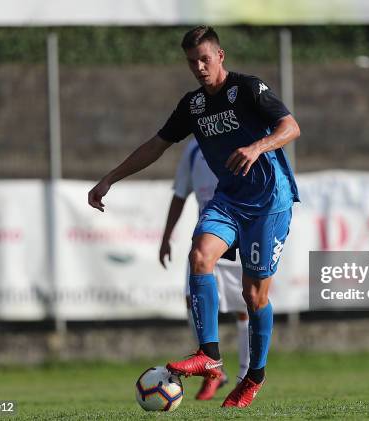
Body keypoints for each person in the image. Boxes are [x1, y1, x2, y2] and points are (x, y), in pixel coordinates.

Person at [88, 25, 300, 408]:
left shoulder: (248, 89)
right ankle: (209, 354)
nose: (199, 67)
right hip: (229, 199)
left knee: (254, 296)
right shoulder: (193, 106)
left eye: (205, 58)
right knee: (199, 256)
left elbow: (291, 127)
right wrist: (108, 179)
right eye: (192, 62)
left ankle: (254, 375)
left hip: (270, 202)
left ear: (220, 55)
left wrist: (257, 146)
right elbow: (155, 146)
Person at [159, 137, 250, 400]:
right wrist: (166, 237)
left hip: (239, 237)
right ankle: (214, 370)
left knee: (244, 309)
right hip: (205, 240)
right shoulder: (193, 149)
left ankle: (244, 377)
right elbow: (180, 193)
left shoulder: (244, 139)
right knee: (192, 301)